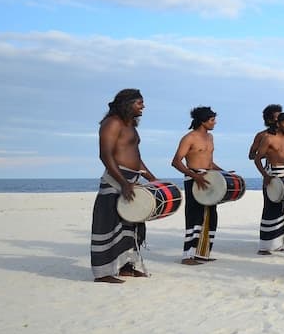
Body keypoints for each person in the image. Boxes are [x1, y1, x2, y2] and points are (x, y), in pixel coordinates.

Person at [90, 88, 157, 283]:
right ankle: (103, 273)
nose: (143, 106)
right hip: (116, 180)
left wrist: (151, 178)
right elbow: (105, 155)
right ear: (127, 104)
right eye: (139, 103)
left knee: (131, 225)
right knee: (109, 225)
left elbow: (136, 157)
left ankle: (127, 267)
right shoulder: (112, 123)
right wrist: (123, 182)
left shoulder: (131, 125)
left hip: (132, 180)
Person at [170, 106, 222, 265]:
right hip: (193, 179)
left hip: (208, 178)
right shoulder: (189, 138)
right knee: (194, 215)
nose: (215, 122)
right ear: (202, 121)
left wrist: (224, 172)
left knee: (211, 216)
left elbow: (209, 162)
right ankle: (188, 256)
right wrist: (194, 176)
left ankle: (202, 253)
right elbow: (176, 161)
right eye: (212, 120)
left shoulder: (210, 137)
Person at [254, 111, 284, 255]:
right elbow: (257, 158)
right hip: (272, 175)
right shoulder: (268, 138)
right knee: (270, 210)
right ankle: (264, 247)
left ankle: (281, 243)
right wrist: (265, 175)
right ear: (278, 123)